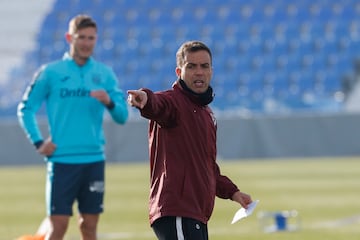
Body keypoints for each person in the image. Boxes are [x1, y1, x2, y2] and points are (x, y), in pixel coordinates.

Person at [17, 14, 128, 240]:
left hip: (93, 159)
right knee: (57, 227)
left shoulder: (104, 74)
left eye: (91, 38)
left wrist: (109, 101)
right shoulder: (51, 72)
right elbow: (25, 108)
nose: (87, 43)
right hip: (62, 160)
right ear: (70, 37)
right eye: (82, 37)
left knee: (89, 227)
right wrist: (38, 142)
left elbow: (122, 116)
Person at [127, 40, 252, 240]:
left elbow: (207, 168)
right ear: (179, 72)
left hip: (195, 213)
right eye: (191, 66)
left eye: (204, 66)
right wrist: (146, 99)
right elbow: (159, 104)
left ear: (211, 70)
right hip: (178, 210)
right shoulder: (174, 102)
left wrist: (234, 193)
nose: (199, 72)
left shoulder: (207, 114)